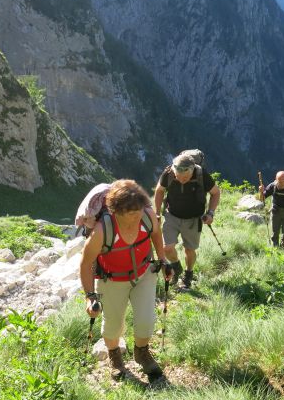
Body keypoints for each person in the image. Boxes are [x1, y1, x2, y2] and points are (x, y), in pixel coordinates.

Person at [80, 179, 172, 380]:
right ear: (116, 211)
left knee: (146, 320)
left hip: (144, 273)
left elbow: (156, 233)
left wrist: (163, 260)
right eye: (132, 213)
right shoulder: (102, 231)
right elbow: (86, 264)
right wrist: (89, 297)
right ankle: (115, 356)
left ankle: (142, 353)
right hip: (111, 280)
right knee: (112, 326)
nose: (138, 215)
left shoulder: (147, 215)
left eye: (139, 210)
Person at [153, 153, 221, 288]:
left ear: (192, 170)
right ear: (174, 171)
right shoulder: (169, 173)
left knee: (189, 250)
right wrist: (157, 213)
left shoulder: (201, 175)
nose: (182, 180)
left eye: (186, 177)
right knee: (167, 248)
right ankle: (176, 266)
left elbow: (215, 193)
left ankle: (188, 273)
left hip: (193, 219)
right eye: (179, 177)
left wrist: (211, 213)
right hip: (172, 215)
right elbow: (159, 190)